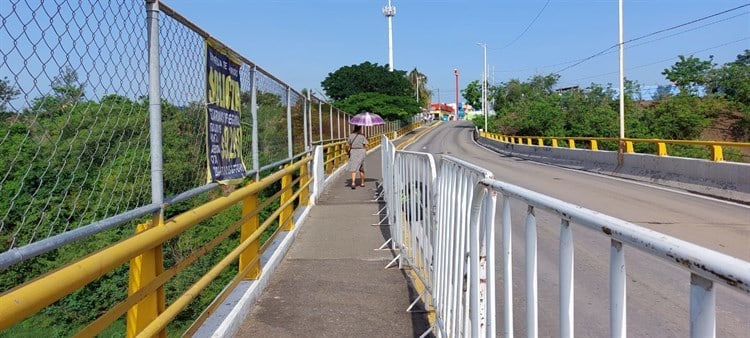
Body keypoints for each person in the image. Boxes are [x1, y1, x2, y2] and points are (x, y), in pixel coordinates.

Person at [346, 125, 368, 189]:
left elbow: (347, 145)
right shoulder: (362, 136)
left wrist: (347, 152)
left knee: (354, 168)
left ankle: (353, 183)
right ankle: (362, 182)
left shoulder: (351, 135)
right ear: (360, 128)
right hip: (361, 151)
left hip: (353, 151)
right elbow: (366, 145)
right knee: (362, 168)